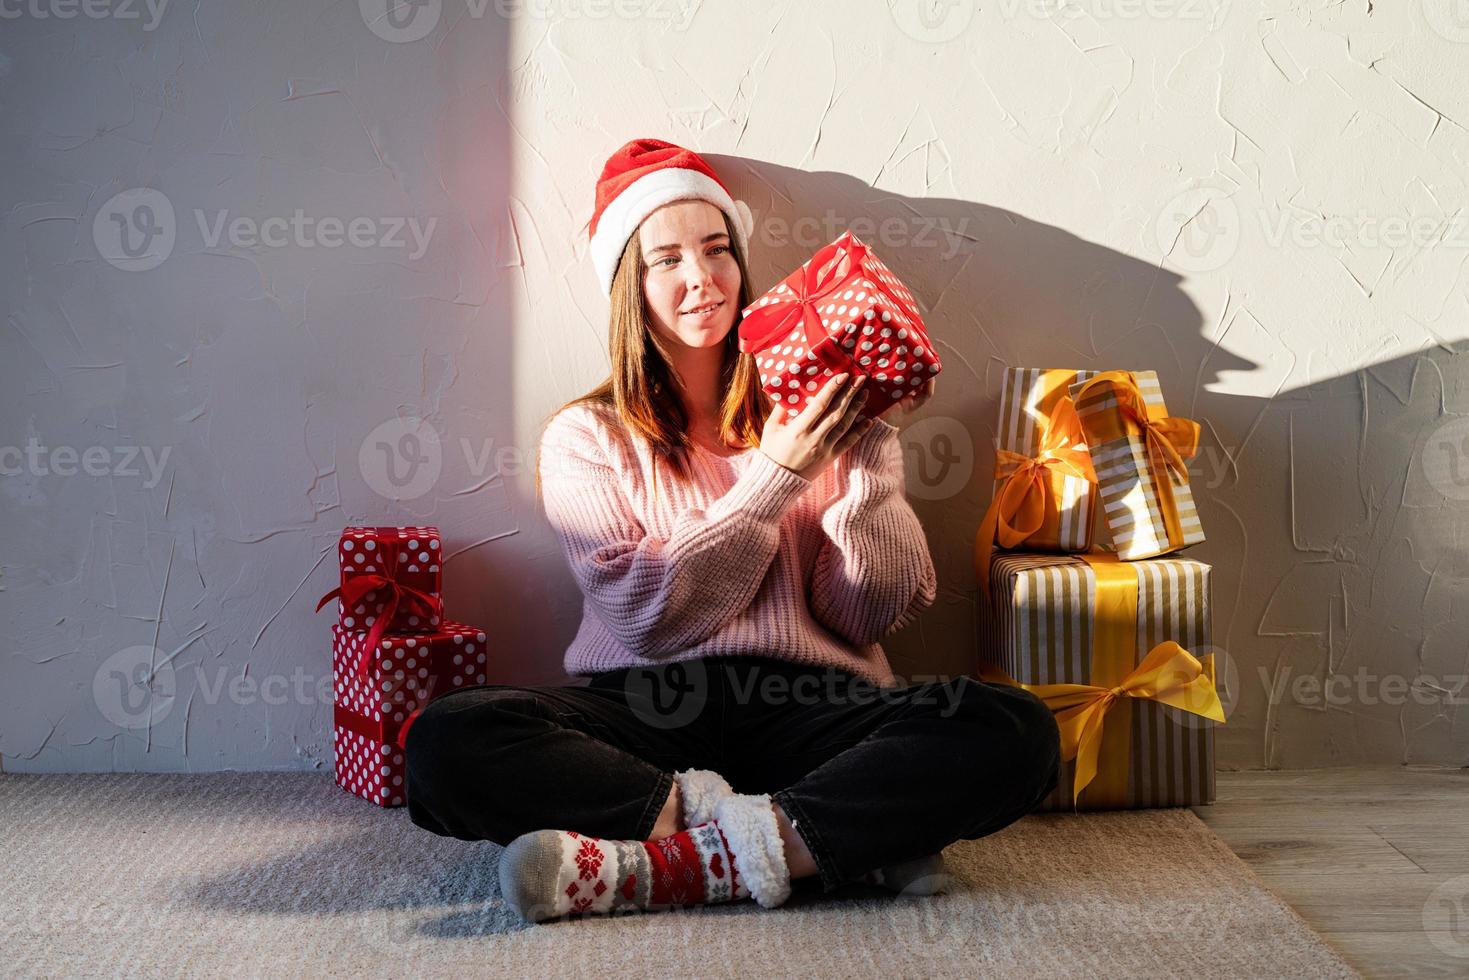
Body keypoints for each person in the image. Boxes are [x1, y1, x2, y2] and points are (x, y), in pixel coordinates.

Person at [403, 137, 1061, 924]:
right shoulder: (585, 436)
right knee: (447, 739)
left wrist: (865, 452)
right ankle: (816, 840)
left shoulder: (817, 409)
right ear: (629, 289)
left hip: (814, 705)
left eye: (716, 251)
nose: (700, 279)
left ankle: (661, 865)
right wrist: (773, 476)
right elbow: (648, 620)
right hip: (648, 710)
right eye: (666, 261)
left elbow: (868, 614)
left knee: (1012, 727)